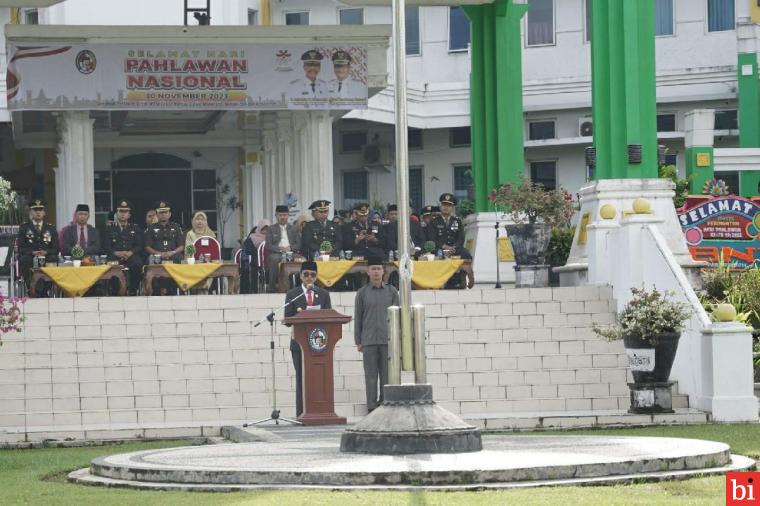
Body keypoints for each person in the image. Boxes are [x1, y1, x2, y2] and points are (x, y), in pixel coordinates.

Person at [283, 261, 332, 417]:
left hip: (318, 344)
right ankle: (301, 412)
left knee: (318, 378)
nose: (309, 278)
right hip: (299, 343)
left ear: (316, 277)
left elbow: (329, 317)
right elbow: (287, 318)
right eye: (306, 275)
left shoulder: (324, 294)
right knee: (301, 378)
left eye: (312, 275)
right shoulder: (293, 294)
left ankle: (319, 410)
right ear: (300, 276)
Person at [354, 257, 399, 413]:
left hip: (388, 340)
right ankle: (372, 406)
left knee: (387, 375)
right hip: (369, 340)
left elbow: (397, 317)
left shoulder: (392, 292)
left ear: (383, 271)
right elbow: (358, 317)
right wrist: (358, 340)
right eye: (373, 269)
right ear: (368, 271)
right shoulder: (362, 293)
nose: (376, 272)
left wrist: (397, 339)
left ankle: (386, 402)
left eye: (378, 268)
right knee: (371, 375)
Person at [17, 198, 58, 291]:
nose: (38, 212)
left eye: (40, 210)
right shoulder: (24, 228)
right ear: (31, 212)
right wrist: (32, 252)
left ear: (44, 212)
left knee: (53, 259)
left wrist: (46, 252)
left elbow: (56, 248)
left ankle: (45, 289)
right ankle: (31, 289)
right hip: (31, 257)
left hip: (46, 257)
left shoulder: (51, 228)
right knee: (24, 259)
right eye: (35, 210)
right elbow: (21, 248)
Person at [103, 200, 143, 295]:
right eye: (120, 211)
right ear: (117, 213)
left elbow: (139, 245)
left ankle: (133, 290)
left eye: (125, 212)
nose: (123, 214)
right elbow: (106, 246)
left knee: (138, 264)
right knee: (111, 267)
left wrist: (130, 253)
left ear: (129, 214)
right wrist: (116, 253)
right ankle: (114, 291)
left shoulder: (135, 228)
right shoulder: (110, 228)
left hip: (131, 255)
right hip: (115, 255)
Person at [144, 200, 184, 294]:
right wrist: (159, 254)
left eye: (165, 212)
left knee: (181, 259)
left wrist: (172, 252)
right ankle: (155, 291)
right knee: (150, 261)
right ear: (157, 214)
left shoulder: (176, 227)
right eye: (160, 212)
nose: (163, 215)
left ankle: (178, 291)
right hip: (156, 256)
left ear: (169, 214)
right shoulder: (151, 228)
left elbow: (181, 246)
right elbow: (147, 247)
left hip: (173, 255)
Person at [265, 205, 299, 292]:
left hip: (291, 253)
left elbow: (299, 244)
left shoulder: (294, 228)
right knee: (274, 259)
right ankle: (272, 287)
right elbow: (268, 245)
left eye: (285, 215)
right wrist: (280, 249)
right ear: (276, 216)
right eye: (280, 215)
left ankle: (300, 287)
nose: (283, 217)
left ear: (288, 215)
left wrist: (290, 248)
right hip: (277, 253)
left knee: (302, 259)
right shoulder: (271, 229)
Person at [426, 193, 471, 259]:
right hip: (440, 248)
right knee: (437, 254)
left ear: (452, 208)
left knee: (466, 254)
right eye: (444, 205)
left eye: (449, 205)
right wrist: (444, 246)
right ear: (440, 206)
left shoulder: (457, 221)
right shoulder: (433, 221)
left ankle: (463, 269)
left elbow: (461, 239)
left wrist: (453, 247)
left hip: (454, 249)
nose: (446, 207)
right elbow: (432, 239)